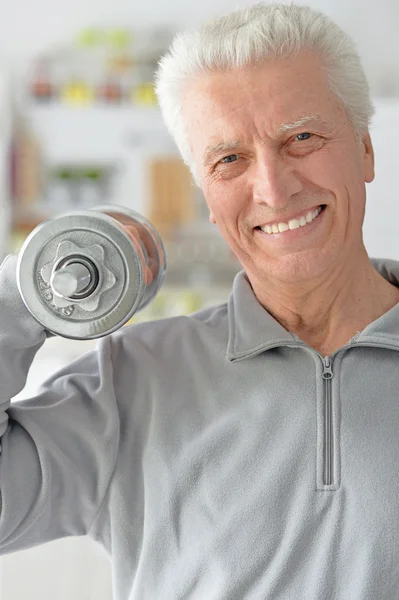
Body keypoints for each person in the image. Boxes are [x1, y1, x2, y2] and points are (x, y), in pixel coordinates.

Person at [1, 3, 399, 599]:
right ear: (208, 196)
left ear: (365, 150)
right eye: (229, 159)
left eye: (303, 137)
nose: (273, 187)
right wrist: (26, 290)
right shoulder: (131, 381)